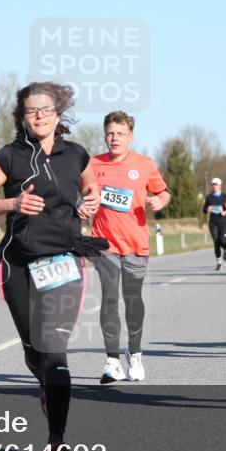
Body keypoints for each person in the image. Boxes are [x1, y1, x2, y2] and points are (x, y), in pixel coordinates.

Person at [0, 81, 104, 451]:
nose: (40, 115)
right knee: (33, 352)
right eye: (32, 111)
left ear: (59, 113)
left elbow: (91, 189)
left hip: (63, 260)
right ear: (23, 117)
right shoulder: (9, 156)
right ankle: (45, 384)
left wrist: (90, 204)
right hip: (17, 264)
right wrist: (12, 202)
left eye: (46, 109)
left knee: (53, 350)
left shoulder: (75, 154)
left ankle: (57, 438)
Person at [88, 111, 171, 383]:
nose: (114, 138)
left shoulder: (144, 165)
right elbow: (81, 195)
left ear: (130, 137)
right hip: (104, 244)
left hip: (135, 244)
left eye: (120, 134)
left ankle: (134, 354)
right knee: (110, 298)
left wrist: (160, 201)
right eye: (110, 133)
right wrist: (81, 205)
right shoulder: (91, 164)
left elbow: (163, 192)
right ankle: (111, 360)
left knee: (133, 301)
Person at [202, 178, 226, 269]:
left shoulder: (225, 196)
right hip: (213, 222)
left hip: (223, 221)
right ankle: (219, 263)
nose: (214, 186)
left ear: (220, 185)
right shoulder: (209, 197)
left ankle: (225, 249)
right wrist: (207, 209)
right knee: (216, 242)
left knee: (223, 241)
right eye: (213, 184)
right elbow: (204, 210)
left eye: (216, 184)